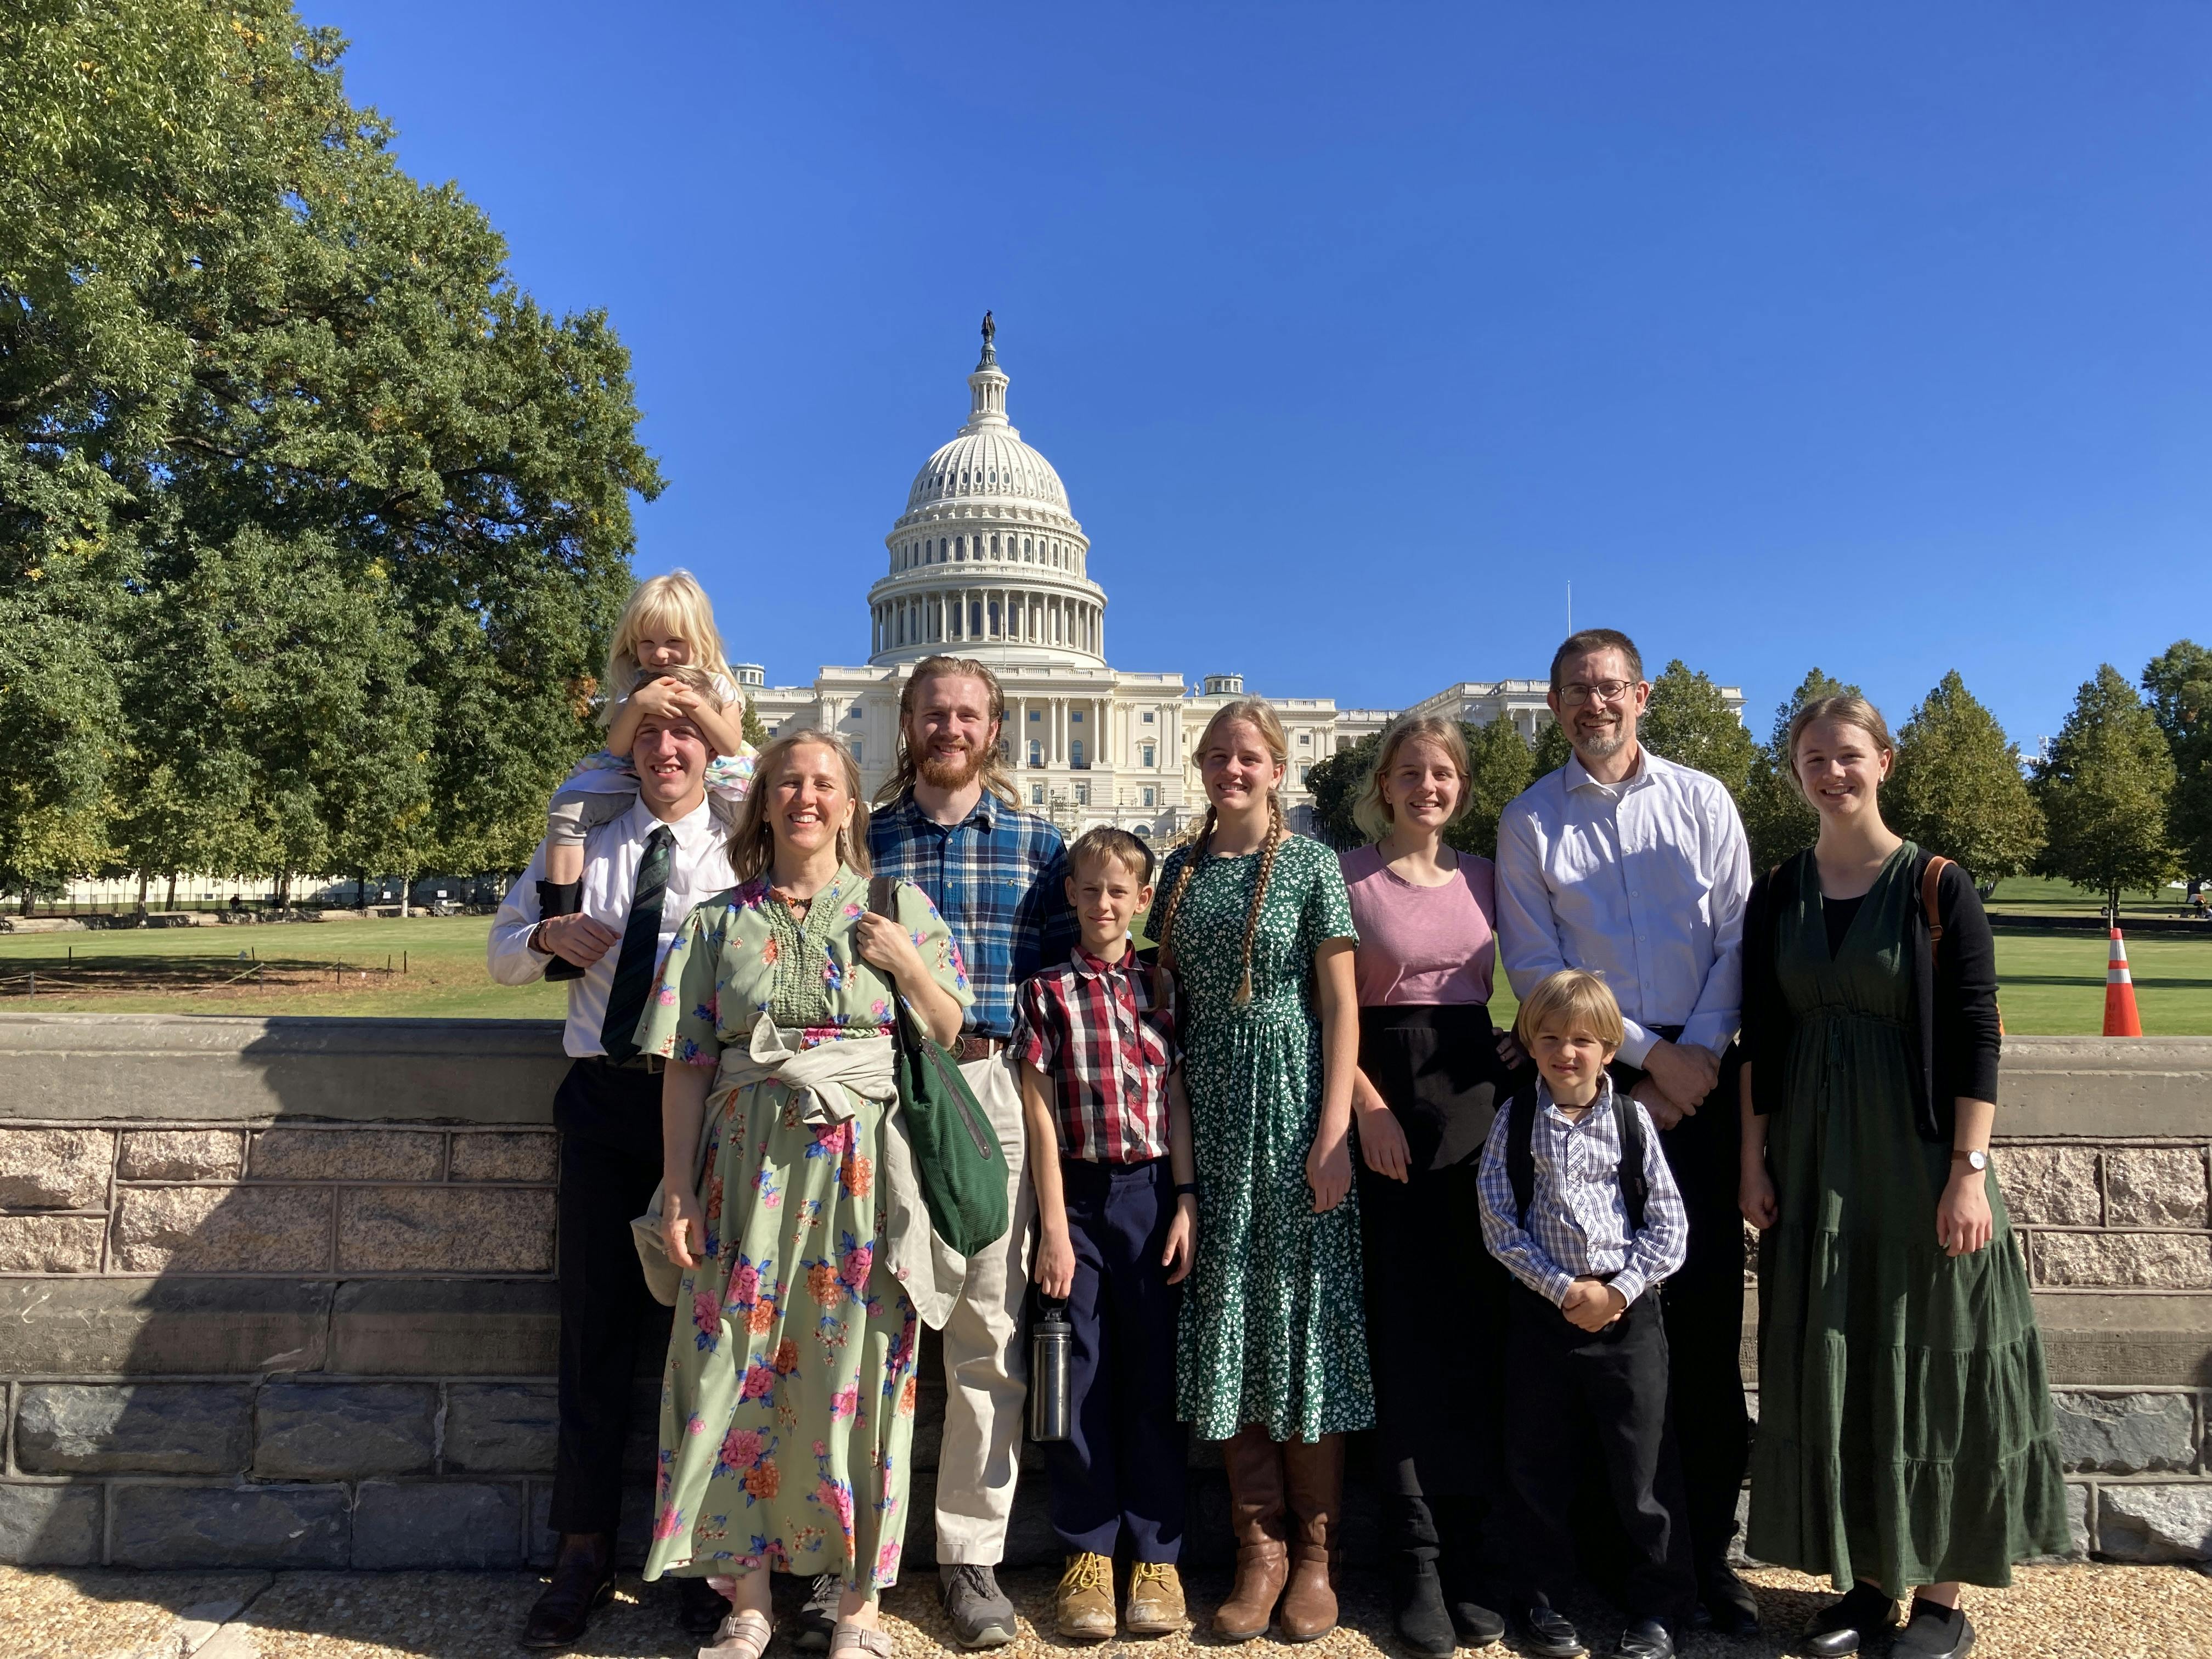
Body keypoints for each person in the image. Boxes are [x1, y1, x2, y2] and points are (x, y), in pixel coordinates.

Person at [1738, 696, 2070, 1659]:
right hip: (1814, 1160)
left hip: (1919, 1158)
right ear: (1793, 769)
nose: (1830, 771)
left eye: (1847, 754)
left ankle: (1942, 1597)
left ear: (1883, 759)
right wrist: (1752, 1155)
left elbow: (1975, 1029)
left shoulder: (1936, 884)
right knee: (1847, 1358)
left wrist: (1968, 1171)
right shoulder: (1781, 890)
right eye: (1812, 757)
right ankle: (1868, 1584)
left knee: (1932, 1358)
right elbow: (1762, 1028)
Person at [635, 729, 971, 1659]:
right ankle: (745, 1597)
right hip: (742, 1174)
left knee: (862, 1376)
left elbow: (949, 1030)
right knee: (728, 1369)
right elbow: (686, 1063)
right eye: (789, 782)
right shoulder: (716, 921)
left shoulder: (896, 906)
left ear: (852, 803)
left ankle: (858, 1604)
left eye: (824, 782)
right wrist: (676, 1191)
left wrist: (905, 963)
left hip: (863, 1178)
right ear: (765, 801)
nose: (806, 797)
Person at [1494, 627, 1759, 1638]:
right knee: (1598, 1352)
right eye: (1574, 690)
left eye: (1608, 687)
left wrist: (1693, 1059)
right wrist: (1648, 1057)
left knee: (1695, 1349)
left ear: (1641, 694)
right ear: (1555, 703)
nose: (1592, 704)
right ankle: (1608, 1562)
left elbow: (1736, 936)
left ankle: (1703, 1563)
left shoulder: (1701, 798)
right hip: (1595, 1103)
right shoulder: (1530, 820)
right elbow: (1533, 968)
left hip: (1693, 1098)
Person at [487, 678, 742, 1650]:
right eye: (650, 733)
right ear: (628, 747)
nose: (667, 748)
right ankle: (584, 1549)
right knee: (593, 1333)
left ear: (710, 747)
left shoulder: (737, 850)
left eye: (685, 733)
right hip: (602, 1098)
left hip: (712, 1107)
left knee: (711, 1341)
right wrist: (548, 934)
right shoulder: (581, 843)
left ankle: (710, 1558)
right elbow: (503, 953)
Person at [866, 655, 1079, 1649]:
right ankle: (850, 1550)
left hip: (992, 1083)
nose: (950, 728)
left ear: (993, 728)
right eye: (933, 712)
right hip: (880, 1087)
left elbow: (1069, 989)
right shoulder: (864, 837)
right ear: (906, 721)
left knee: (989, 1329)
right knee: (871, 1324)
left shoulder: (1042, 844)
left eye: (967, 714)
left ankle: (968, 1554)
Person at [1144, 697, 1367, 1645]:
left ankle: (1315, 1553)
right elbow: (1162, 998)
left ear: (1277, 766)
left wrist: (1333, 1130)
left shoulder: (1313, 863)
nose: (1230, 768)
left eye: (1248, 756)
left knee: (1304, 1318)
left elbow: (1341, 1004)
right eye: (1217, 755)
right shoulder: (1179, 871)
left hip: (1291, 1099)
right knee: (1227, 1316)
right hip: (1213, 1111)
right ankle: (1258, 1545)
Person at [1339, 715, 1522, 1656]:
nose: (1427, 784)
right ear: (1383, 781)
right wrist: (1363, 1102)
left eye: (1442, 771)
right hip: (1379, 1089)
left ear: (1461, 783)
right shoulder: (1346, 874)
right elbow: (1319, 1005)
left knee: (1472, 1326)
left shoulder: (1489, 875)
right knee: (1400, 1328)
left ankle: (1469, 1545)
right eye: (1409, 770)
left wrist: (1512, 1047)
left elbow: (1536, 983)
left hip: (1470, 1101)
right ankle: (1410, 1552)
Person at [1013, 826, 1199, 1641]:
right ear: (1071, 897)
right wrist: (1054, 1225)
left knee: (1153, 1373)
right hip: (1080, 1198)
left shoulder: (1162, 988)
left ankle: (1157, 1552)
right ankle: (1086, 1551)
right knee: (1078, 1375)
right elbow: (1039, 1118)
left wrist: (1187, 1199)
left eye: (1119, 891)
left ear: (1143, 899)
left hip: (1152, 1192)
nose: (1103, 904)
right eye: (1090, 891)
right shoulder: (1046, 992)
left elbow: (1179, 1101)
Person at [1477, 969, 1694, 1659]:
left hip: (1629, 1316)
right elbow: (1498, 1222)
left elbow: (1669, 1225)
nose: (1565, 1052)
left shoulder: (1632, 1120)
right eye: (1550, 1038)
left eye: (1582, 1040)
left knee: (1642, 1467)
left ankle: (1658, 1605)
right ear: (1530, 1043)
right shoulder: (1515, 1119)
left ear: (1607, 1048)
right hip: (1546, 1311)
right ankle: (1542, 1599)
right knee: (1538, 1462)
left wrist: (1618, 1292)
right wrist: (1563, 1290)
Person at [537, 571, 757, 977]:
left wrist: (695, 707)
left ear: (700, 643)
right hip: (634, 776)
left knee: (765, 828)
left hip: (721, 780)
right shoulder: (635, 688)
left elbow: (727, 745)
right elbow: (618, 747)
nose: (660, 655)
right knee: (568, 808)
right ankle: (560, 916)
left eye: (674, 643)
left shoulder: (721, 687)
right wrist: (639, 704)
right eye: (647, 643)